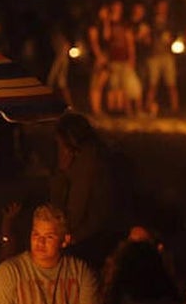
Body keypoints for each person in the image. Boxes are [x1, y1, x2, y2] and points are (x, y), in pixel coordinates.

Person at [47, 112, 132, 268]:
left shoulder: (86, 164)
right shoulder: (94, 156)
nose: (57, 149)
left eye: (59, 144)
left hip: (94, 243)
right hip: (98, 236)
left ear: (68, 142)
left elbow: (71, 217)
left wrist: (61, 173)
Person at [146, 0, 181, 117]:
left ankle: (175, 109)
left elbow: (176, 37)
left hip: (167, 55)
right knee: (152, 84)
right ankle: (148, 108)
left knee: (171, 84)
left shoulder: (171, 22)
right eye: (160, 6)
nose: (162, 9)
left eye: (164, 6)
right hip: (154, 55)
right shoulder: (150, 22)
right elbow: (147, 38)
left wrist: (172, 40)